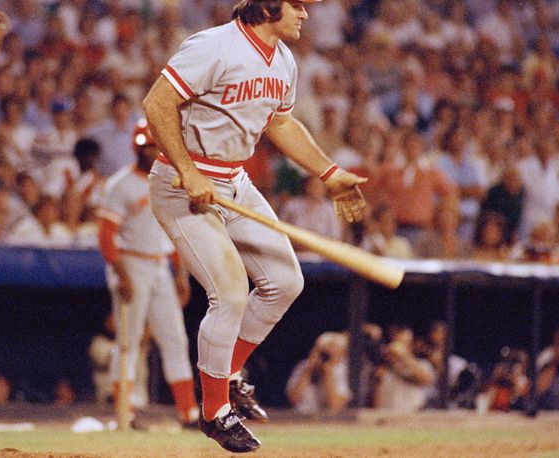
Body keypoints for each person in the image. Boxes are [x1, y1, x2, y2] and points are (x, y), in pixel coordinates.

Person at [143, 0, 368, 452]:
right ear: (268, 6)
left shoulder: (283, 59)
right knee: (228, 294)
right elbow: (157, 102)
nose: (306, 14)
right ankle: (214, 413)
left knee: (285, 281)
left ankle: (226, 375)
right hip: (179, 182)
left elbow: (280, 124)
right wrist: (187, 169)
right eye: (297, 5)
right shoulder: (214, 46)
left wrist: (329, 173)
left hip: (234, 181)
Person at [96, 119, 199, 429]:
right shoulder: (120, 184)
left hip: (159, 266)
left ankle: (188, 413)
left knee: (175, 340)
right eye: (145, 146)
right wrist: (121, 275)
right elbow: (105, 235)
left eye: (155, 145)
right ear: (135, 148)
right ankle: (124, 413)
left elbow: (171, 232)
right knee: (128, 343)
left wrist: (180, 273)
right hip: (130, 264)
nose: (150, 151)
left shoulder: (167, 181)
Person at [285, 331, 351, 414]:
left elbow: (335, 405)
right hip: (301, 418)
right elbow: (293, 399)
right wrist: (309, 370)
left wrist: (327, 373)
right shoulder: (304, 366)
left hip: (329, 422)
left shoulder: (343, 370)